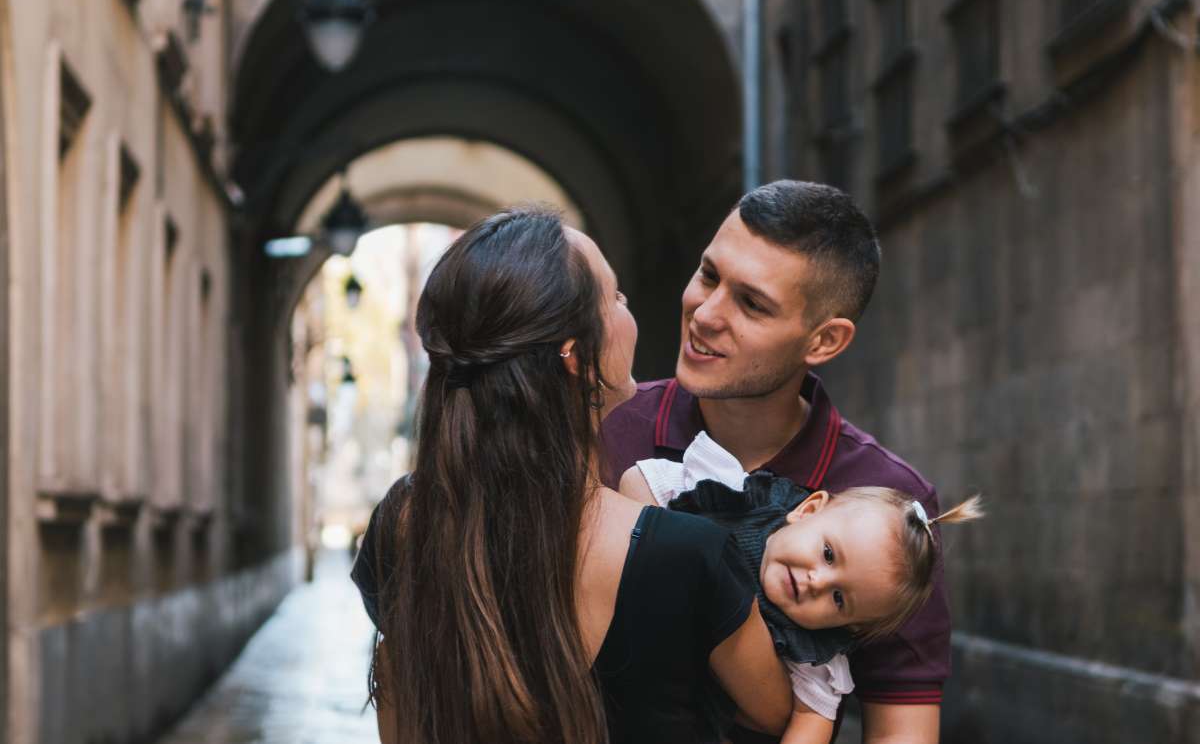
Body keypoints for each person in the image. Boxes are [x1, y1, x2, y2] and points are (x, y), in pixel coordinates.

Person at [351, 207, 795, 744]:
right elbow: (779, 715)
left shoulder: (403, 523)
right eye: (616, 298)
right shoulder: (687, 555)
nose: (630, 311)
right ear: (576, 355)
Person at [603, 180, 953, 744]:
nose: (706, 314)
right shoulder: (606, 430)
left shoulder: (888, 499)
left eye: (752, 304)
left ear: (824, 341)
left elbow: (901, 728)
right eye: (709, 275)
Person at [621, 431, 984, 742]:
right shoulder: (730, 499)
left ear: (850, 627)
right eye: (828, 554)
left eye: (839, 599)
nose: (817, 582)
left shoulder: (813, 653)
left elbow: (813, 720)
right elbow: (637, 481)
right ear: (808, 510)